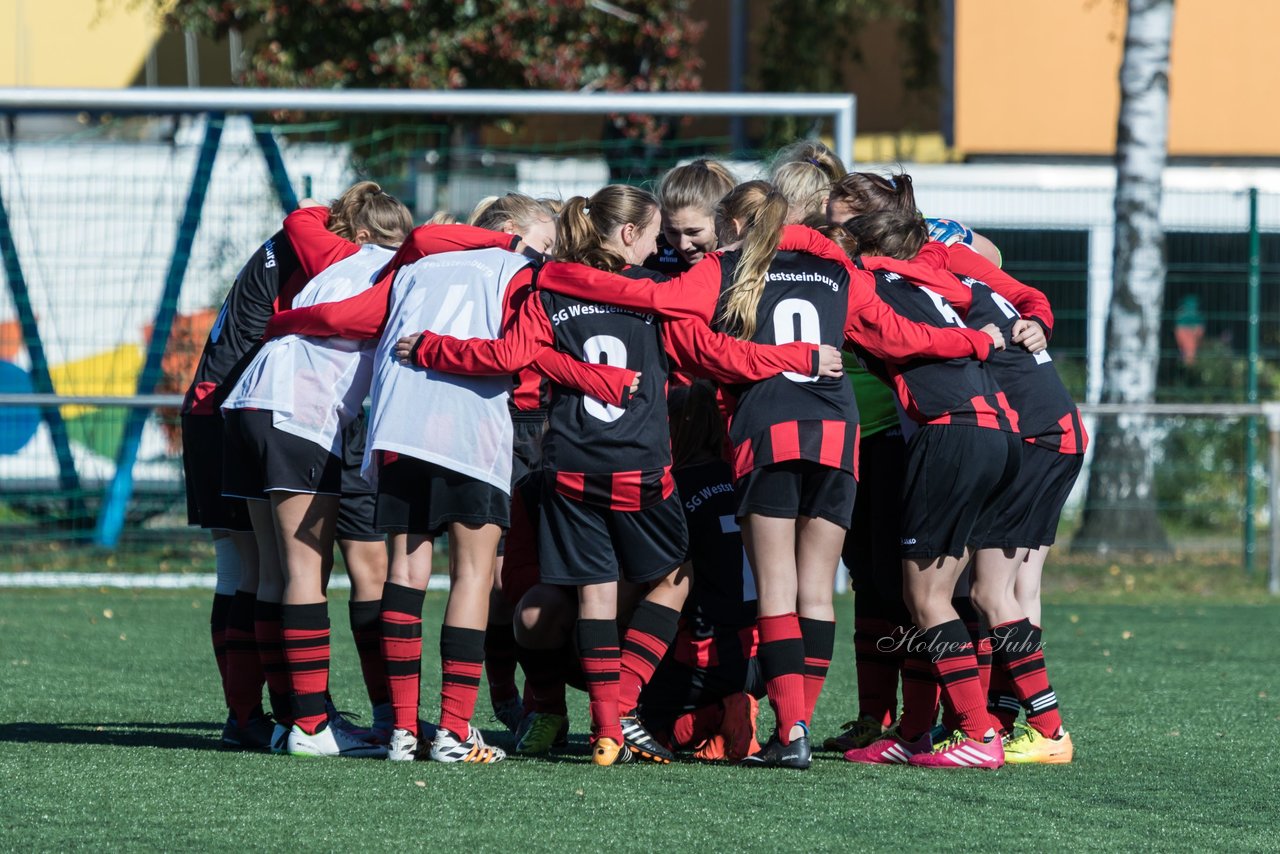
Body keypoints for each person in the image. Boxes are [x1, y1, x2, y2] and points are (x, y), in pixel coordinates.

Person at [533, 182, 1000, 769]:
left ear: (734, 226)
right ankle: (811, 722)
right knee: (818, 592)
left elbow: (664, 313)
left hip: (767, 431)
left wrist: (553, 276)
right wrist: (973, 340)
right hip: (838, 434)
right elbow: (899, 335)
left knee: (776, 590)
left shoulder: (727, 268)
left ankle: (793, 732)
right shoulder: (836, 267)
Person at [402, 184, 843, 766]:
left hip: (565, 467)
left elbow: (506, 357)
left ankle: (565, 715)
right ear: (630, 235)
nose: (664, 243)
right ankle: (622, 715)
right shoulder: (661, 298)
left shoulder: (545, 289)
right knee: (675, 574)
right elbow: (716, 358)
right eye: (658, 232)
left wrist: (433, 349)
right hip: (641, 470)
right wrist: (796, 358)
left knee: (586, 593)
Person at [220, 183, 413, 759]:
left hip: (246, 405)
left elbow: (302, 216)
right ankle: (310, 727)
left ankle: (290, 721)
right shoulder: (395, 273)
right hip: (297, 412)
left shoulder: (335, 251)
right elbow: (356, 318)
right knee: (307, 571)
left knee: (275, 574)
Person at [829, 211, 1021, 770]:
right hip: (996, 430)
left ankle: (978, 733)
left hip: (951, 432)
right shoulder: (922, 273)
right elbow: (979, 263)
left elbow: (896, 336)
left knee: (925, 597)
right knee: (940, 593)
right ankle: (916, 733)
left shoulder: (858, 280)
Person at [646, 159, 737, 277]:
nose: (683, 245)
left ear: (723, 221)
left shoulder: (745, 261)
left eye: (693, 232)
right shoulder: (652, 253)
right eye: (672, 232)